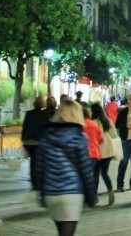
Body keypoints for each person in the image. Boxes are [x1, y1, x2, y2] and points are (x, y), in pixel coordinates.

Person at [35, 101, 97, 236]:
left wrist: (40, 191)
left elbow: (38, 166)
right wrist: (91, 195)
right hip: (72, 193)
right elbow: (85, 169)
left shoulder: (46, 135)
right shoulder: (79, 137)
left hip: (51, 193)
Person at [90, 102, 117, 206]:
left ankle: (94, 195)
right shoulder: (107, 120)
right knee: (105, 173)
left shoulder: (92, 122)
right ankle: (111, 192)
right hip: (108, 150)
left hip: (97, 150)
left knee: (95, 173)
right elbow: (113, 134)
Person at [23, 96, 50, 189]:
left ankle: (34, 182)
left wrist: (23, 139)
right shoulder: (44, 114)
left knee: (33, 161)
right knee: (39, 162)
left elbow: (25, 127)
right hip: (39, 141)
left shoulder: (29, 113)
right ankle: (39, 181)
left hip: (29, 141)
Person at [81, 105, 104, 199]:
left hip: (84, 153)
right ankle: (94, 194)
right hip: (95, 153)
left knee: (85, 175)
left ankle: (87, 195)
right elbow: (101, 139)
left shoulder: (79, 125)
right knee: (95, 174)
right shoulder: (94, 124)